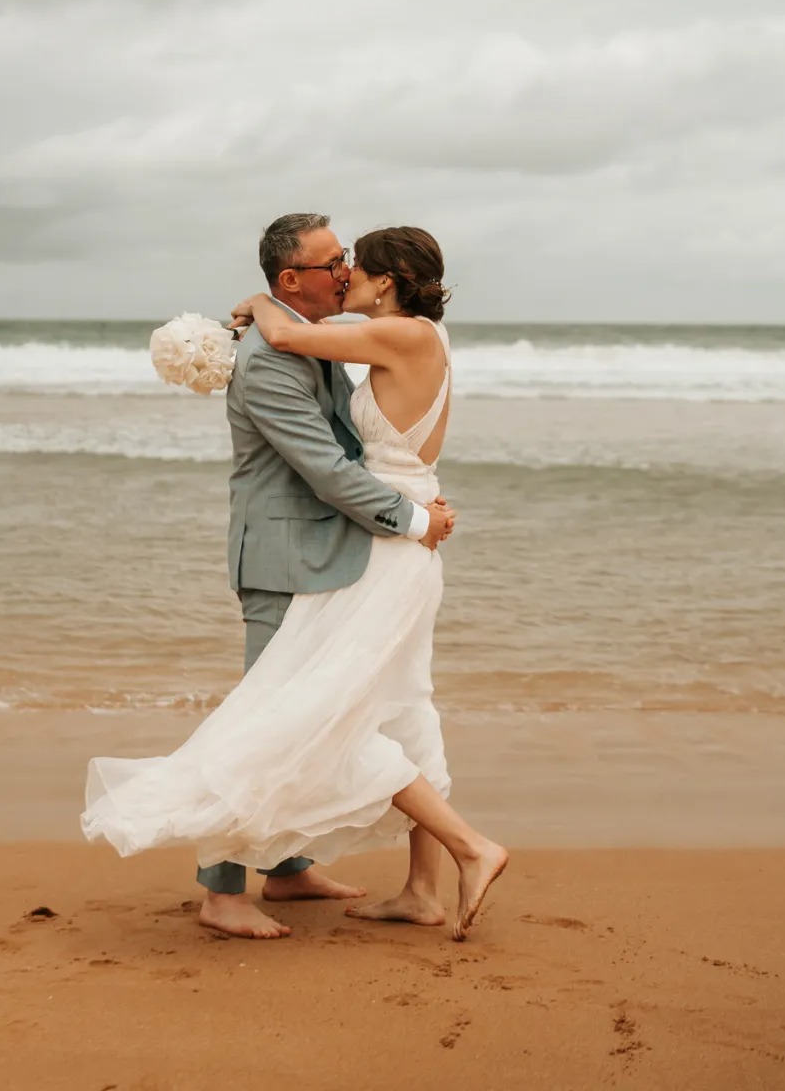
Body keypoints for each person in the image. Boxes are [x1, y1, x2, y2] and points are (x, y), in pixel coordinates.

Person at [82, 217, 507, 941]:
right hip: (291, 554)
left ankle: (295, 872)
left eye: (351, 262)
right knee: (280, 717)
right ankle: (226, 892)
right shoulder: (274, 359)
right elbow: (326, 466)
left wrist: (413, 516)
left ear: (384, 282)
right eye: (332, 261)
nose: (343, 272)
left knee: (324, 713)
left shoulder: (334, 338)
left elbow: (345, 451)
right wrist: (413, 516)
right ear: (292, 278)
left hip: (364, 545)